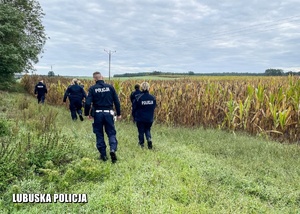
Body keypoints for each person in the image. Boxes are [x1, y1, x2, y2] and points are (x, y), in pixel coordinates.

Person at [84, 72, 121, 163]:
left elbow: (88, 103)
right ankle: (112, 149)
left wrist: (87, 114)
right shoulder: (110, 87)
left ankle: (103, 155)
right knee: (111, 133)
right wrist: (119, 113)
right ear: (102, 77)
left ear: (94, 79)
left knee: (99, 134)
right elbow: (116, 101)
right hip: (109, 113)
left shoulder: (92, 89)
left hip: (98, 114)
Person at [132, 82, 156, 149]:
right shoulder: (153, 98)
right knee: (147, 129)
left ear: (141, 88)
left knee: (141, 130)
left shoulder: (138, 97)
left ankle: (141, 144)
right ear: (149, 88)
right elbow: (154, 107)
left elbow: (134, 108)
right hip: (149, 118)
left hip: (140, 118)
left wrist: (134, 117)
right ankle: (149, 139)